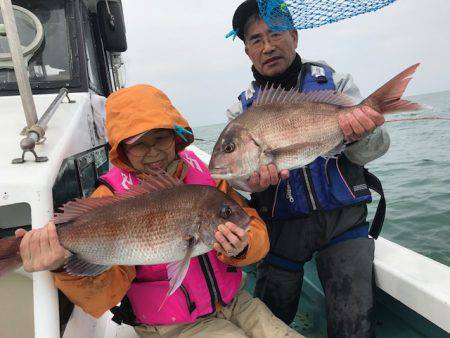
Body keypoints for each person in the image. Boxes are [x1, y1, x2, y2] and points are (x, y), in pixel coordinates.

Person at [14, 84, 302, 338]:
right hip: (173, 327)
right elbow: (105, 293)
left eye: (160, 139)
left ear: (175, 136)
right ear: (121, 149)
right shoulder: (112, 198)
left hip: (237, 303)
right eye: (139, 144)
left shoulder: (207, 176)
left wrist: (243, 246)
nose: (152, 152)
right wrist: (60, 264)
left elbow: (251, 226)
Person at [226, 1, 390, 337]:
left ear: (295, 36)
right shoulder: (240, 113)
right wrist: (253, 184)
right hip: (281, 232)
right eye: (256, 39)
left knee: (353, 326)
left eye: (275, 34)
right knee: (269, 319)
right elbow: (238, 180)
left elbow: (378, 148)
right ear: (247, 51)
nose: (267, 46)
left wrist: (362, 133)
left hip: (342, 224)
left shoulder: (335, 84)